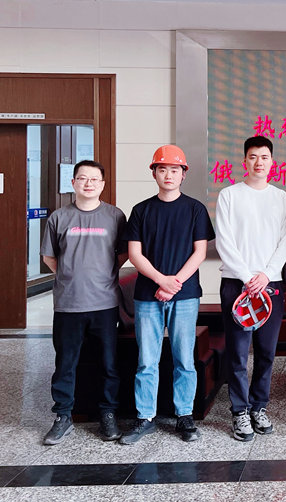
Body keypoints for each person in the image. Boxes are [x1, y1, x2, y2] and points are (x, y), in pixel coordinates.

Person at [119, 145, 215, 445]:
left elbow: (200, 252)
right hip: (148, 296)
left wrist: (175, 283)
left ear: (183, 174)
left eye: (175, 170)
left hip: (185, 295)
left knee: (184, 359)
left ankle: (184, 416)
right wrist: (161, 280)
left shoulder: (195, 209)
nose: (169, 175)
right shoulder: (141, 210)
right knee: (147, 360)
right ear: (154, 173)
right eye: (163, 169)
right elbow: (134, 254)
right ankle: (145, 416)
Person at [40, 160, 127, 445]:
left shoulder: (115, 216)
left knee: (108, 363)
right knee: (65, 363)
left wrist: (102, 275)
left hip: (105, 303)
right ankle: (63, 416)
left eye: (94, 179)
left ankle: (108, 413)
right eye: (82, 178)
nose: (88, 183)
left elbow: (124, 253)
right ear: (73, 182)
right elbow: (49, 256)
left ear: (102, 184)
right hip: (69, 304)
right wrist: (70, 276)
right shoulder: (59, 217)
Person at [216, 136, 286, 442]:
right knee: (237, 353)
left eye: (264, 157)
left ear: (272, 162)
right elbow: (224, 240)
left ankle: (259, 406)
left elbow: (285, 242)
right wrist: (248, 277)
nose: (258, 162)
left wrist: (265, 275)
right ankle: (240, 411)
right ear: (244, 161)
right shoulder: (229, 195)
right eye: (253, 157)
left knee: (266, 352)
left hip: (270, 284)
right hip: (237, 283)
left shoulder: (282, 198)